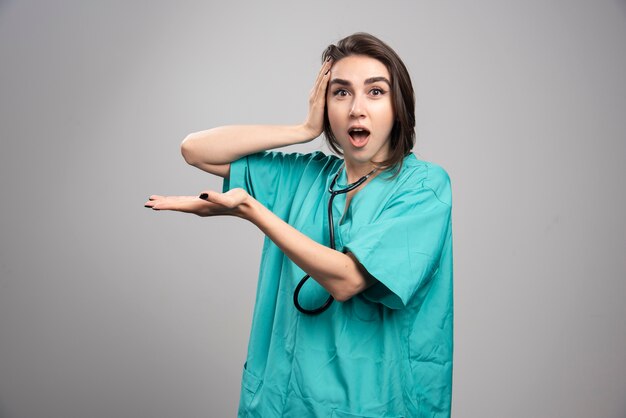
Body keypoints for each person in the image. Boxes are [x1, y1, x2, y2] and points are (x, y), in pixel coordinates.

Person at [145, 32, 453, 418]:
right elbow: (195, 149)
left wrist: (254, 211)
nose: (357, 108)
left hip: (375, 405)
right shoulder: (307, 177)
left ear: (398, 105)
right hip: (285, 401)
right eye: (341, 93)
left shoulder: (425, 186)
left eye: (375, 92)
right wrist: (302, 130)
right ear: (325, 105)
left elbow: (347, 281)